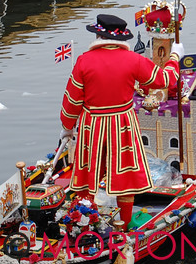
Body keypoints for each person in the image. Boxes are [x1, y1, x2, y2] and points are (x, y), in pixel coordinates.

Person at [59, 14, 184, 226]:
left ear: (98, 35)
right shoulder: (133, 60)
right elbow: (165, 79)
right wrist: (174, 57)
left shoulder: (83, 61)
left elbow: (72, 100)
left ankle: (84, 223)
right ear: (122, 38)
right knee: (125, 179)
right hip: (122, 125)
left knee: (89, 178)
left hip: (93, 125)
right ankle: (124, 225)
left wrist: (67, 127)